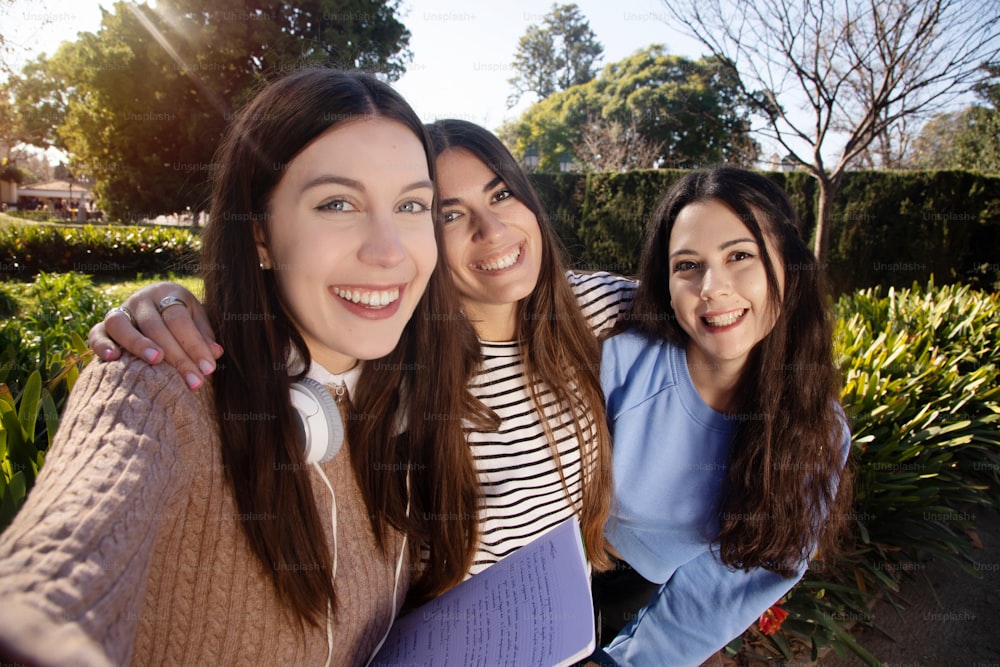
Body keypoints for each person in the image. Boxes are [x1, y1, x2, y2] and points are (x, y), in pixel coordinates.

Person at [0, 67, 478, 666]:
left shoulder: (397, 395)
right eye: (337, 203)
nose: (388, 251)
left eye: (411, 205)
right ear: (258, 233)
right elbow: (59, 567)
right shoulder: (160, 385)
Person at [88, 119, 638, 579]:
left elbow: (707, 299)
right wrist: (167, 303)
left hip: (571, 614)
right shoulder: (394, 356)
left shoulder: (588, 308)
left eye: (501, 194)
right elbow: (284, 323)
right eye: (447, 213)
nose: (491, 230)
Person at [592, 167, 853, 665]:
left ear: (788, 268)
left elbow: (753, 572)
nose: (712, 287)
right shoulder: (619, 366)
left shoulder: (817, 428)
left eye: (740, 256)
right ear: (665, 284)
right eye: (688, 265)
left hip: (661, 602)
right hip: (555, 576)